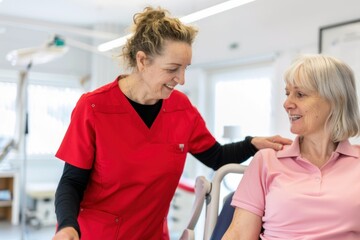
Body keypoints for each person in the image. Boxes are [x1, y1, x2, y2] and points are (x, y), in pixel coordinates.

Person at [52, 6, 291, 240]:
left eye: (185, 68)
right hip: (97, 235)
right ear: (143, 60)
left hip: (153, 234)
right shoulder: (94, 108)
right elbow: (72, 181)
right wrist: (66, 226)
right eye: (172, 69)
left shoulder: (181, 108)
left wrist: (252, 144)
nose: (182, 79)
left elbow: (216, 156)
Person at [222, 54, 360, 240]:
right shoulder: (267, 160)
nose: (287, 104)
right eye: (288, 93)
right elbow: (239, 235)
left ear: (336, 99)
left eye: (300, 94)